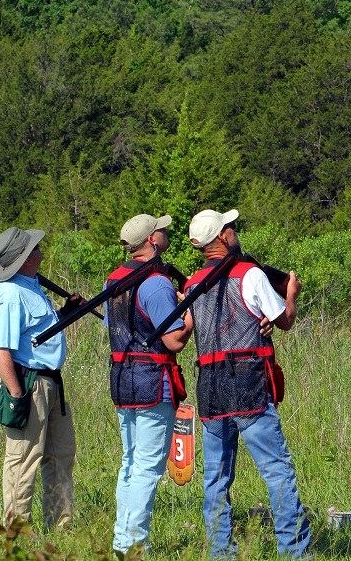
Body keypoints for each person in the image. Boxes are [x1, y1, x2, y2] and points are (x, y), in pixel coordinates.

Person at [185, 209, 310, 559]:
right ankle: (294, 553)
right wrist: (292, 294)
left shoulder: (193, 284)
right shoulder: (250, 274)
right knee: (277, 471)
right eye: (231, 227)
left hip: (209, 388)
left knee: (216, 480)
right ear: (222, 237)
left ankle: (220, 552)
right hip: (248, 384)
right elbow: (283, 321)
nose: (235, 231)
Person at [106, 214, 194, 553]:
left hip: (123, 378)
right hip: (153, 380)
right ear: (152, 241)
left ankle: (122, 540)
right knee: (147, 467)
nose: (166, 230)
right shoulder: (156, 284)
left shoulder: (114, 279)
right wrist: (190, 312)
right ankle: (132, 545)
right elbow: (173, 342)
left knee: (130, 462)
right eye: (161, 229)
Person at [0, 226, 81, 528]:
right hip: (28, 384)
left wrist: (66, 313)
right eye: (35, 248)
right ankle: (17, 534)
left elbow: (38, 335)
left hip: (51, 382)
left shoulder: (31, 285)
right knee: (23, 461)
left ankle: (61, 527)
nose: (41, 250)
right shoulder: (9, 295)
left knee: (61, 455)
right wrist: (17, 393)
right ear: (26, 258)